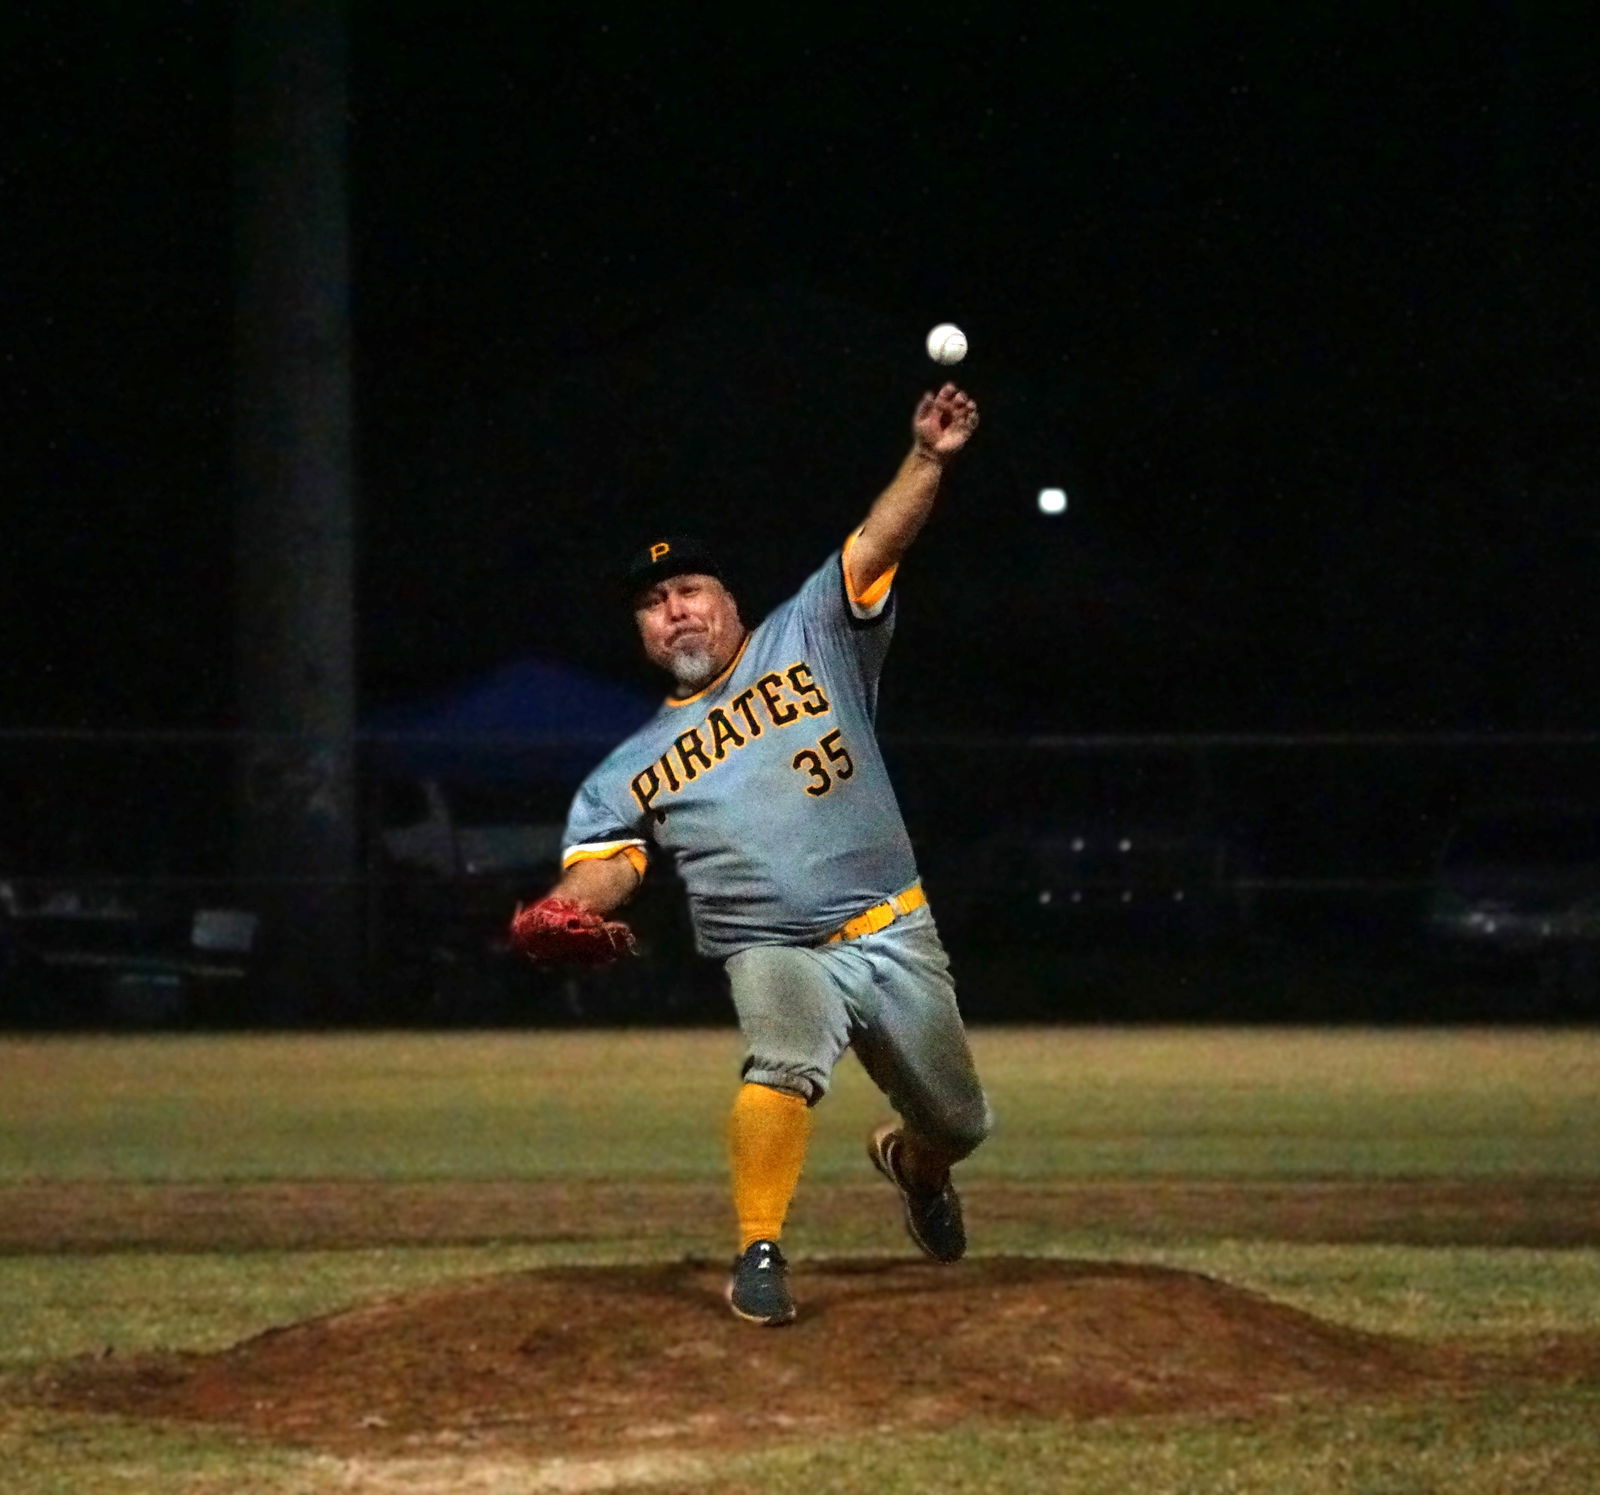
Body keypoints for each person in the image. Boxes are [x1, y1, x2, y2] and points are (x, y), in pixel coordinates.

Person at [510, 382, 992, 1326]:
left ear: (728, 599)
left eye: (690, 589)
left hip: (894, 927)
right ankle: (760, 1250)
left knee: (960, 1121)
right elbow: (609, 862)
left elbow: (878, 542)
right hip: (772, 945)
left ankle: (917, 1163)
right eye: (653, 603)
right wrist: (568, 905)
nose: (676, 610)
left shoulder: (809, 632)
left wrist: (928, 457)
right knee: (781, 1061)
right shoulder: (627, 767)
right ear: (641, 633)